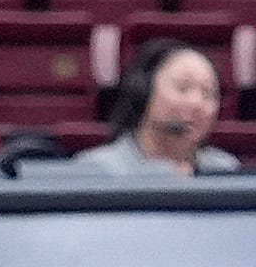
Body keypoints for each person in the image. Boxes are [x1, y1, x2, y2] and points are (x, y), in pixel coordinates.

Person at [73, 39, 241, 180]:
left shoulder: (224, 169)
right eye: (182, 88)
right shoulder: (95, 169)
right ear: (143, 93)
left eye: (208, 93)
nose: (197, 103)